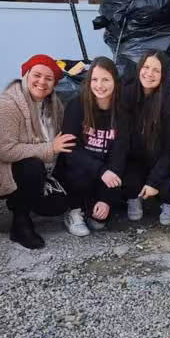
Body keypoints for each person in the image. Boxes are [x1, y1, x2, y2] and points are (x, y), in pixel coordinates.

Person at [0, 54, 75, 250]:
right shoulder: (6, 105)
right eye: (37, 75)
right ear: (26, 75)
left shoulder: (54, 104)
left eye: (49, 78)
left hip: (39, 167)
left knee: (56, 205)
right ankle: (20, 223)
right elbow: (6, 151)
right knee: (32, 167)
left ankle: (30, 196)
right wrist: (50, 148)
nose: (42, 82)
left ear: (54, 84)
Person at [57, 57, 128, 236]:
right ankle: (74, 210)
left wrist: (106, 199)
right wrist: (101, 171)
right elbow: (70, 150)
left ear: (115, 82)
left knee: (100, 222)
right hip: (78, 171)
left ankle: (93, 206)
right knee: (79, 174)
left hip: (105, 173)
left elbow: (119, 155)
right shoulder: (77, 106)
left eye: (105, 80)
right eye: (95, 79)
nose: (100, 85)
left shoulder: (122, 112)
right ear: (88, 82)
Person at [121, 51, 170, 226]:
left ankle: (169, 203)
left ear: (163, 75)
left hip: (160, 159)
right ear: (139, 68)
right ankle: (133, 197)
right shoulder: (127, 94)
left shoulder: (168, 101)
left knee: (168, 188)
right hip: (136, 159)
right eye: (146, 67)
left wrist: (153, 181)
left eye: (156, 70)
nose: (149, 74)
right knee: (128, 180)